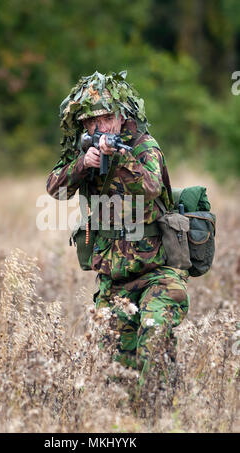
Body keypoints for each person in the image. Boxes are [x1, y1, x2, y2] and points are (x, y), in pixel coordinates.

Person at [46, 70, 189, 378]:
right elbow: (54, 189)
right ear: (84, 124)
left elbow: (150, 186)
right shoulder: (84, 152)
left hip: (158, 273)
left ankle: (165, 412)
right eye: (92, 122)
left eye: (107, 119)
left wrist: (119, 158)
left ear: (122, 117)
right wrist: (84, 164)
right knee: (115, 369)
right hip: (115, 279)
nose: (100, 127)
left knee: (153, 343)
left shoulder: (143, 147)